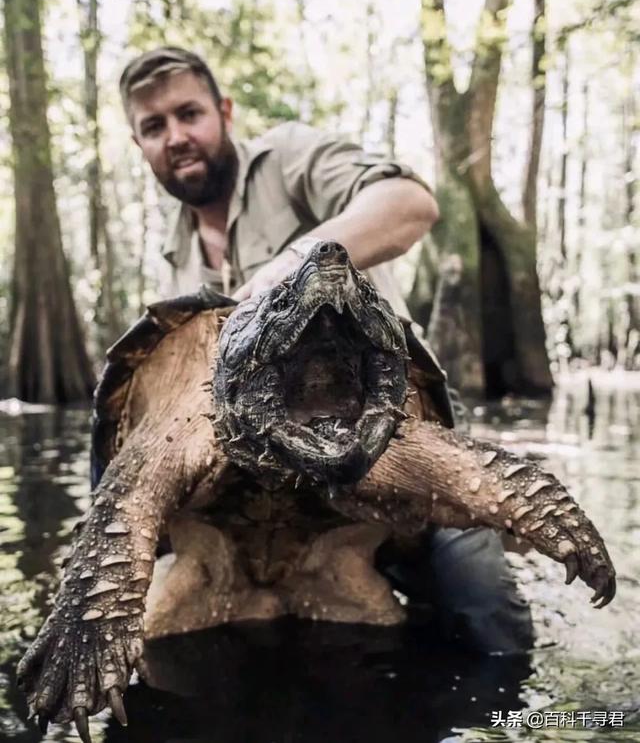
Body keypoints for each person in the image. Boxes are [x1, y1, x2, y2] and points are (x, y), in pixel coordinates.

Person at [119, 46, 533, 654]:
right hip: (255, 467)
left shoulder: (287, 158)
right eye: (153, 127)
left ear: (225, 111)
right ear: (138, 144)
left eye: (189, 114)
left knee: (487, 618)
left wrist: (294, 266)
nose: (176, 136)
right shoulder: (172, 250)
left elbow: (411, 204)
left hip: (390, 430)